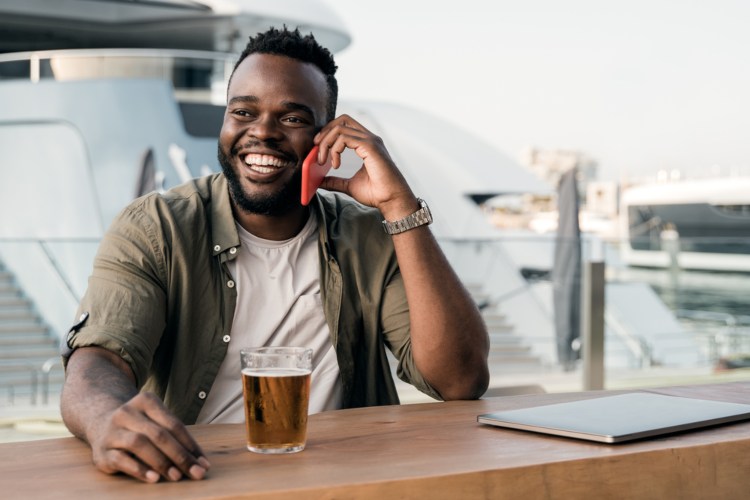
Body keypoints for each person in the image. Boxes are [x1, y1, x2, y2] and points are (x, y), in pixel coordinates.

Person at [60, 26, 489, 483]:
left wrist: (400, 205)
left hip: (346, 483)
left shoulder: (370, 235)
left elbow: (460, 380)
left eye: (292, 119)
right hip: (199, 481)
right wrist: (105, 417)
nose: (261, 133)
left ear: (328, 139)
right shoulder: (157, 227)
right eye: (243, 111)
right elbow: (99, 359)